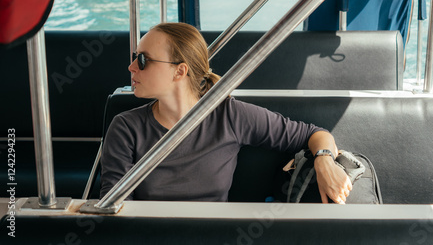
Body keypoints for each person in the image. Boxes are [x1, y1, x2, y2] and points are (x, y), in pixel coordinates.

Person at [100, 22, 352, 203]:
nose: (132, 66)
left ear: (180, 71)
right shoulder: (125, 128)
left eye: (143, 60)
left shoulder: (231, 116)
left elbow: (314, 134)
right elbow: (116, 207)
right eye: (135, 58)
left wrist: (324, 160)